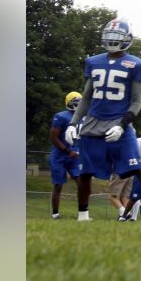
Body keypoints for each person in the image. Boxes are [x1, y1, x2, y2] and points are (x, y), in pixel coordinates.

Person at [63, 18, 141, 223]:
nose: (113, 40)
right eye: (110, 36)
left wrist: (122, 125)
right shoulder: (94, 61)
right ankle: (83, 215)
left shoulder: (137, 65)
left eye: (117, 36)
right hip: (92, 123)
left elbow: (136, 102)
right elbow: (87, 98)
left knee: (138, 166)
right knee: (85, 172)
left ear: (127, 39)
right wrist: (72, 123)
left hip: (119, 124)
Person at [47, 91, 84, 219]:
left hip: (75, 157)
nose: (79, 105)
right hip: (60, 156)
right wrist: (68, 151)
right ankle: (55, 214)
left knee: (82, 183)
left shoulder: (83, 117)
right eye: (76, 102)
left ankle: (82, 213)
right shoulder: (61, 116)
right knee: (58, 185)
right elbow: (53, 138)